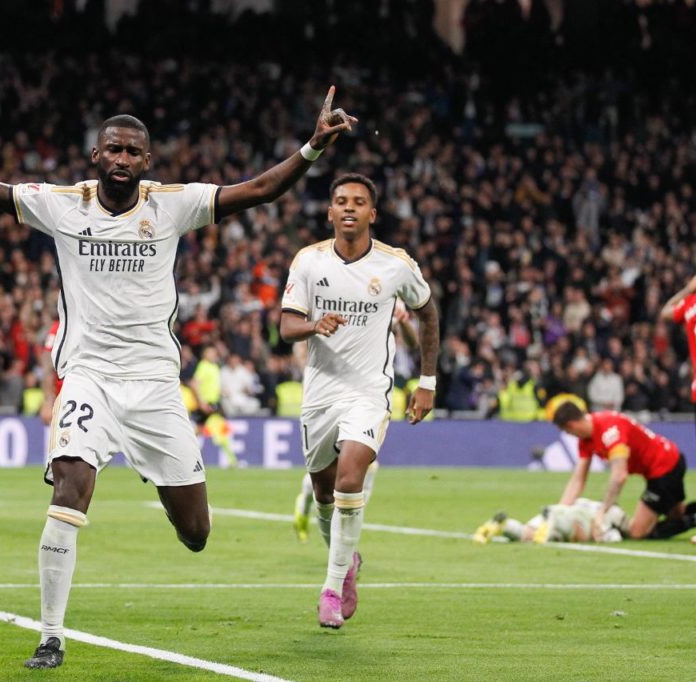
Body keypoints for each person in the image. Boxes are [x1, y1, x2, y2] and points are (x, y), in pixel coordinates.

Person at [0, 88, 356, 668]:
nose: (121, 158)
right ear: (95, 156)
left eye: (133, 151)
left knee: (196, 533)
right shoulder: (63, 204)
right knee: (70, 486)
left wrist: (313, 147)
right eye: (112, 148)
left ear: (147, 162)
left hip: (156, 387)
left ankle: (158, 478)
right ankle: (51, 635)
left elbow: (260, 189)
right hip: (88, 376)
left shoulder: (173, 205)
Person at [279, 173, 440, 629]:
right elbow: (286, 326)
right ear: (329, 212)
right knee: (323, 495)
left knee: (352, 478)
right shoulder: (308, 262)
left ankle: (331, 588)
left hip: (369, 392)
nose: (349, 208)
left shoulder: (395, 265)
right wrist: (313, 325)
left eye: (359, 202)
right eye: (340, 201)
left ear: (373, 213)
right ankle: (346, 563)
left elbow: (428, 314)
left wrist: (426, 381)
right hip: (320, 395)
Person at [292, 301, 415, 542]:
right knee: (334, 472)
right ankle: (312, 499)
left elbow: (412, 343)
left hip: (368, 398)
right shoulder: (336, 293)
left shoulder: (385, 292)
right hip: (330, 395)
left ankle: (343, 546)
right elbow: (300, 337)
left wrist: (405, 321)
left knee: (361, 469)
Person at [552, 402, 696, 540]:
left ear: (571, 425)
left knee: (637, 533)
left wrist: (603, 511)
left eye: (567, 432)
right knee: (677, 514)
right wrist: (560, 512)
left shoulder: (610, 431)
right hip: (670, 459)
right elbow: (578, 479)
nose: (570, 435)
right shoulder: (585, 440)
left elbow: (619, 475)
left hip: (664, 468)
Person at [472, 498, 630, 544]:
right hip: (570, 521)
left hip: (557, 510)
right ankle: (548, 528)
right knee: (536, 536)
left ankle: (503, 525)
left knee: (526, 533)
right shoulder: (605, 518)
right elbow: (612, 538)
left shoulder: (586, 502)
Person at [659, 274, 696, 407]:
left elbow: (665, 311)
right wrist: (688, 290)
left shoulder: (690, 303)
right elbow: (664, 313)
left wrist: (687, 290)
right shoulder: (690, 303)